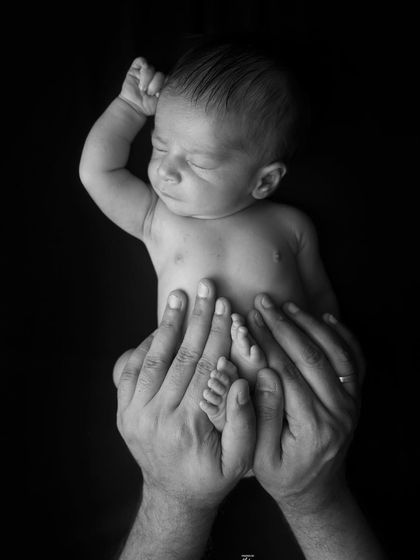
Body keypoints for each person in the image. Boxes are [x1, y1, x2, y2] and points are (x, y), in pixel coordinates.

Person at [79, 39, 339, 432]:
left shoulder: (291, 226)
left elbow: (319, 297)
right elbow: (98, 173)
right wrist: (130, 109)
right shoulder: (159, 218)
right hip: (186, 387)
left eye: (197, 163)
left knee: (293, 371)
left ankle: (242, 408)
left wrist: (333, 346)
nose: (166, 171)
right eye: (158, 146)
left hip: (281, 386)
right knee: (126, 369)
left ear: (264, 180)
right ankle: (222, 414)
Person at [115, 278, 384, 559]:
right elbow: (318, 296)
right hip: (290, 424)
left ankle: (228, 408)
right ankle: (230, 405)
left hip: (196, 425)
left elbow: (318, 294)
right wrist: (317, 502)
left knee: (125, 369)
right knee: (245, 385)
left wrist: (172, 498)